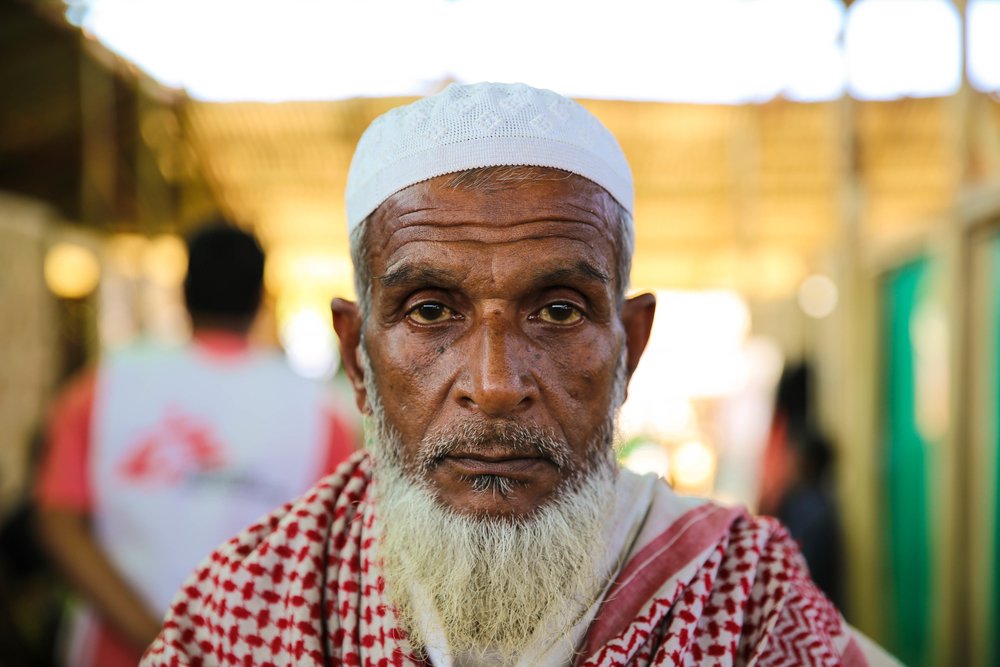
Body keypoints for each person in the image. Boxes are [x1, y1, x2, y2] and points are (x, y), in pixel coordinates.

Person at [142, 83, 898, 666]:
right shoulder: (251, 601)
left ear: (629, 345)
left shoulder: (744, 597)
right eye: (432, 310)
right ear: (357, 358)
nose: (497, 384)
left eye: (560, 311)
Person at [35, 222, 357, 667]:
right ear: (261, 299)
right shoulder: (321, 413)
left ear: (183, 294)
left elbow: (59, 523)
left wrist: (157, 638)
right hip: (254, 654)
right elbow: (335, 554)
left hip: (113, 652)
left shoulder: (103, 387)